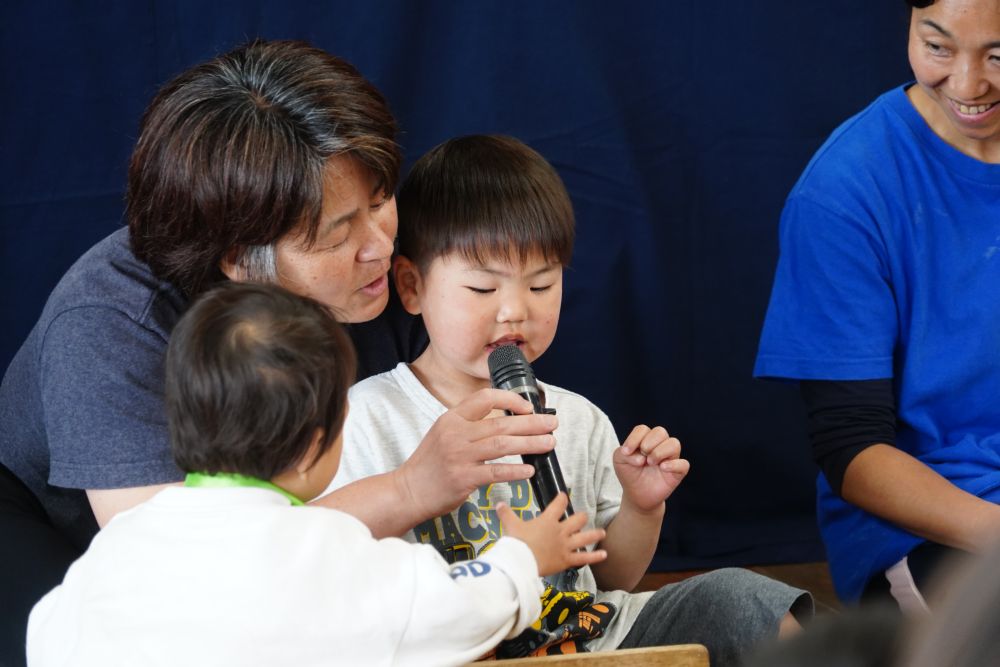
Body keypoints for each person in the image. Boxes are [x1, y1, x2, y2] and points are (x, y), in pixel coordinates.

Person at [0, 40, 561, 664]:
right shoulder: (111, 323)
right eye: (337, 234)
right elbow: (202, 577)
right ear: (242, 261)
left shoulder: (385, 272)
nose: (380, 246)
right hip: (71, 537)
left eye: (380, 201)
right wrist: (412, 493)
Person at [326, 134, 813, 665]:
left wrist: (642, 506)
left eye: (541, 286)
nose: (515, 311)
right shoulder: (367, 416)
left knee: (742, 602)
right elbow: (336, 575)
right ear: (412, 286)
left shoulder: (579, 418)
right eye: (483, 289)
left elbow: (610, 580)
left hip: (588, 641)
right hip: (457, 651)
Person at [25, 281, 608, 667]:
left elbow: (49, 632)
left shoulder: (121, 542)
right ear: (313, 447)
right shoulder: (321, 543)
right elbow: (446, 610)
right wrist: (522, 557)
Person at [754, 0, 1000, 611]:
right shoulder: (845, 189)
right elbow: (853, 448)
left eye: (999, 56)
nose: (968, 84)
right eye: (937, 47)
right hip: (939, 524)